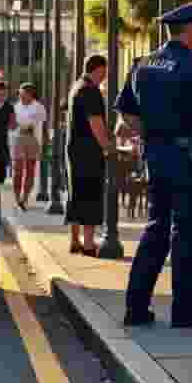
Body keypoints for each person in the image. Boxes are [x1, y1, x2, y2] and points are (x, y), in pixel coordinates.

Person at [117, 1, 192, 328]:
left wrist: (150, 135)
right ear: (190, 30)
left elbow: (127, 113)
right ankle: (184, 309)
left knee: (156, 228)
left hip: (155, 156)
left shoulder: (142, 64)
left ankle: (135, 307)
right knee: (187, 233)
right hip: (188, 158)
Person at [67, 55, 112, 256]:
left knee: (76, 194)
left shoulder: (77, 87)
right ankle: (88, 245)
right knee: (90, 194)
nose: (105, 76)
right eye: (105, 71)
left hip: (75, 149)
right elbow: (95, 123)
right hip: (89, 151)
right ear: (99, 69)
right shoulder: (91, 91)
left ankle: (75, 241)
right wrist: (107, 146)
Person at [12, 83, 47, 210]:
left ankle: (24, 198)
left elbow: (43, 127)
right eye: (20, 94)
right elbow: (12, 125)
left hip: (33, 139)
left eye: (23, 94)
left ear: (30, 94)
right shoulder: (16, 107)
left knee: (30, 170)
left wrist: (44, 144)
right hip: (18, 138)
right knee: (18, 170)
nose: (21, 96)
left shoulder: (39, 107)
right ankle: (17, 198)